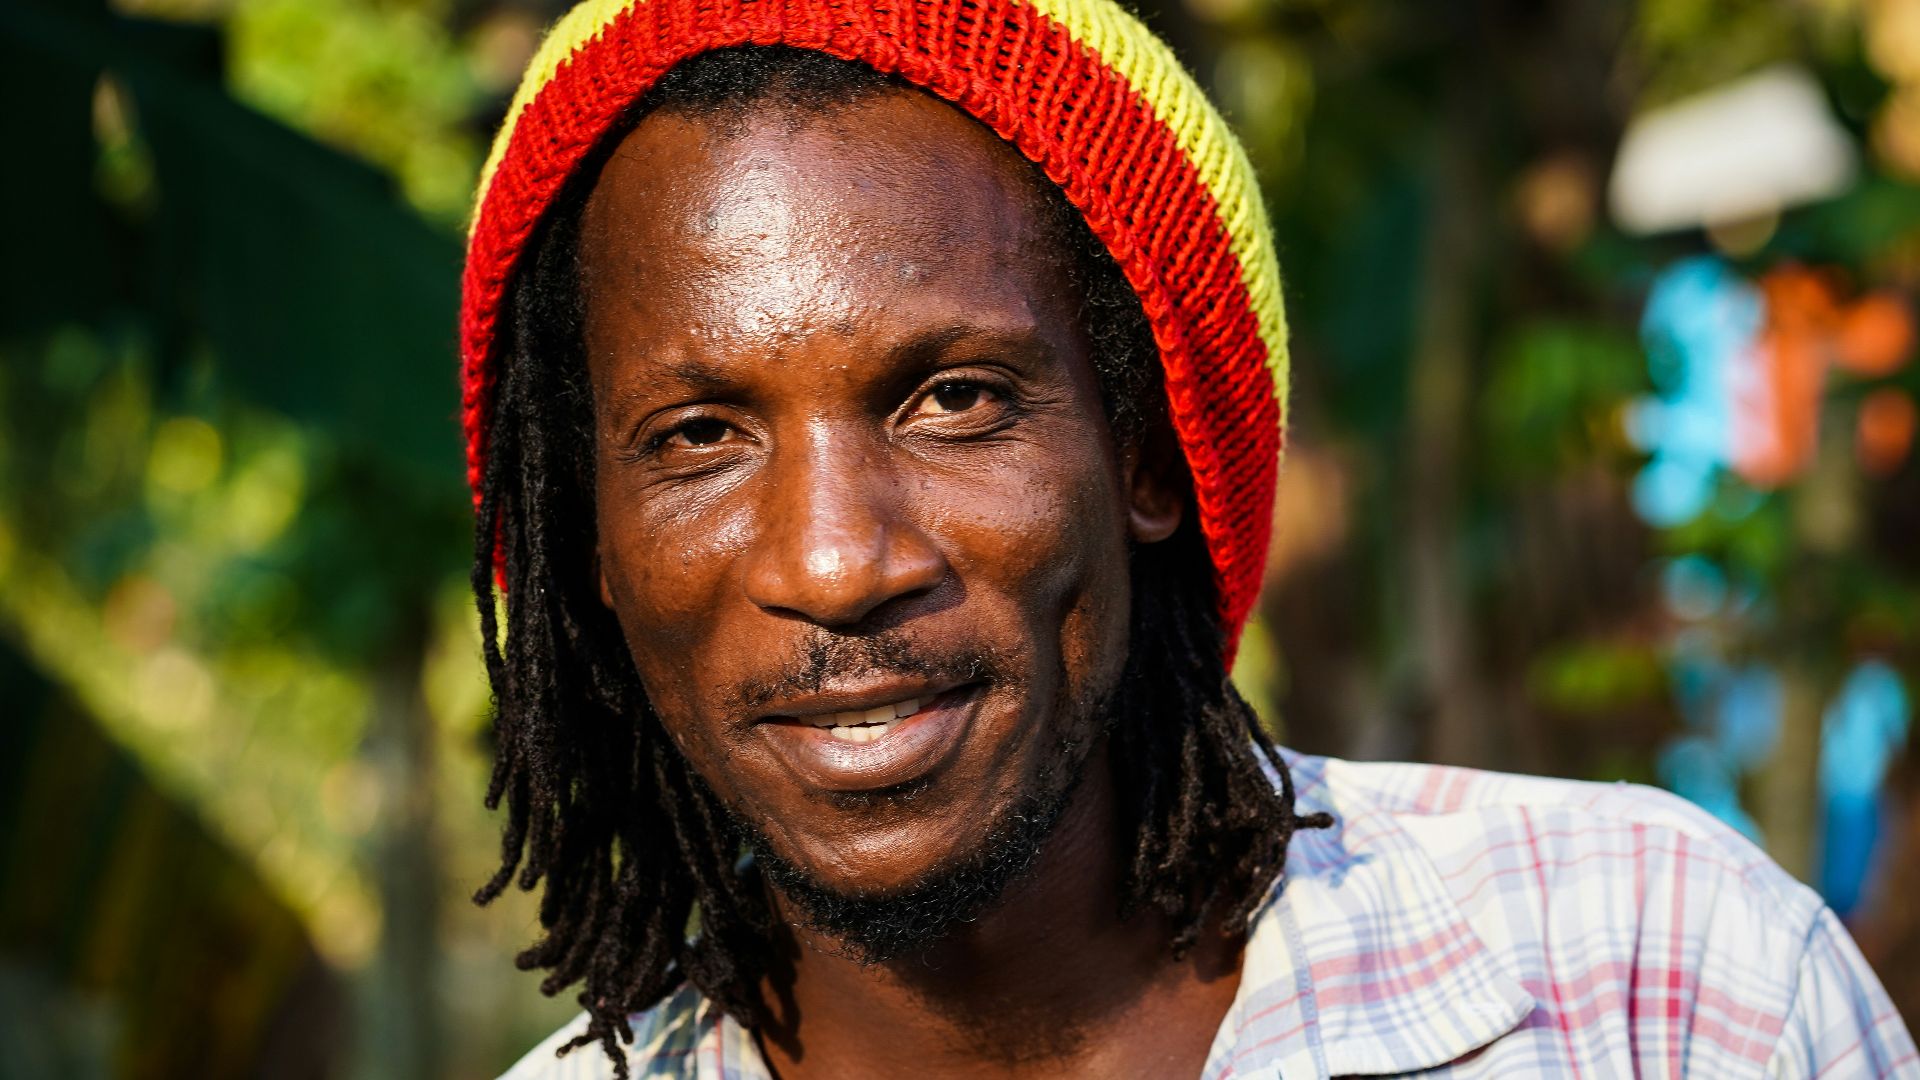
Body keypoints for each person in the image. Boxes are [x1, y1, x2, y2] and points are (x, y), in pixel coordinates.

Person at [460, 4, 1918, 1078]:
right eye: (699, 437)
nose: (836, 563)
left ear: (1149, 455)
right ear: (590, 538)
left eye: (954, 401)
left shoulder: (1654, 985)